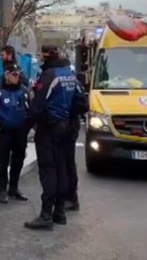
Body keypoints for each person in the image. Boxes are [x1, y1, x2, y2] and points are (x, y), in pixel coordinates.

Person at [24, 46, 86, 230]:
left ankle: (46, 215)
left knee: (48, 169)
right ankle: (60, 211)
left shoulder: (49, 76)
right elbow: (83, 104)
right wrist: (67, 115)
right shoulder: (70, 76)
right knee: (62, 168)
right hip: (67, 127)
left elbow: (37, 107)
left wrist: (37, 122)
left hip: (49, 128)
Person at [0, 64, 30, 204]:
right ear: (7, 75)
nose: (16, 77)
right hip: (4, 132)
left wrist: (28, 127)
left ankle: (14, 187)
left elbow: (30, 109)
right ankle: (2, 189)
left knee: (18, 159)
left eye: (18, 74)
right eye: (13, 74)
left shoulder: (24, 91)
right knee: (3, 160)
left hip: (20, 131)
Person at [64, 69, 89, 212]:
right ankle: (69, 196)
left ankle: (72, 198)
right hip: (70, 126)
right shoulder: (75, 83)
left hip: (69, 126)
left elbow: (84, 106)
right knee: (67, 163)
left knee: (67, 163)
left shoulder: (73, 84)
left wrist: (67, 111)